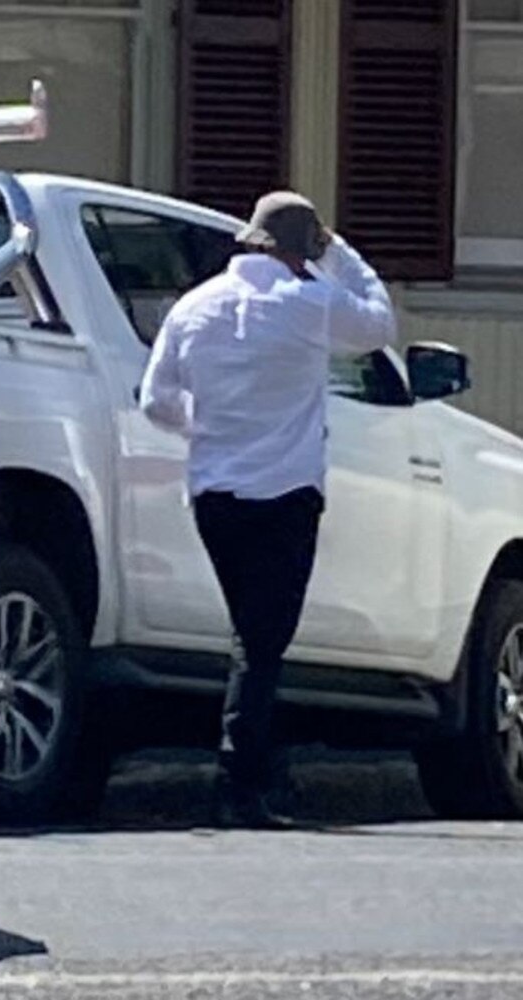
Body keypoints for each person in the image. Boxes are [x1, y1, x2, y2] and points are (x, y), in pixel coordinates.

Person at [139, 191, 396, 829]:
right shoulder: (309, 302)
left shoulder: (194, 306)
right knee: (262, 642)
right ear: (302, 250)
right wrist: (340, 254)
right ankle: (240, 782)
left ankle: (256, 767)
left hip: (214, 493)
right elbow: (377, 324)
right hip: (286, 494)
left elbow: (154, 400)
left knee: (249, 636)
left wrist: (206, 428)